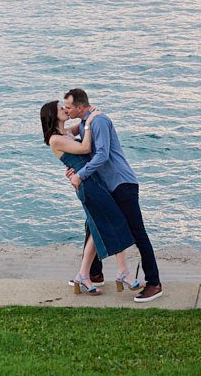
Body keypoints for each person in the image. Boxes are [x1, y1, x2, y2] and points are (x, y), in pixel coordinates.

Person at [63, 88, 163, 302]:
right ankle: (94, 273)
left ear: (80, 107)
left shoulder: (98, 122)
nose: (66, 110)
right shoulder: (86, 122)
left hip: (121, 184)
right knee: (92, 225)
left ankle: (154, 283)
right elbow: (66, 135)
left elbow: (102, 155)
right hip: (106, 186)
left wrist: (79, 175)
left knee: (137, 233)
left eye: (69, 107)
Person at [39, 101, 139, 295]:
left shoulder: (65, 133)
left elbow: (84, 122)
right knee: (115, 220)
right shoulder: (55, 139)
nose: (66, 110)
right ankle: (123, 272)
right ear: (53, 115)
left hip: (93, 181)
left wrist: (91, 114)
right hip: (88, 185)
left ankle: (83, 275)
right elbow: (85, 148)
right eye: (61, 108)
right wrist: (89, 121)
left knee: (95, 227)